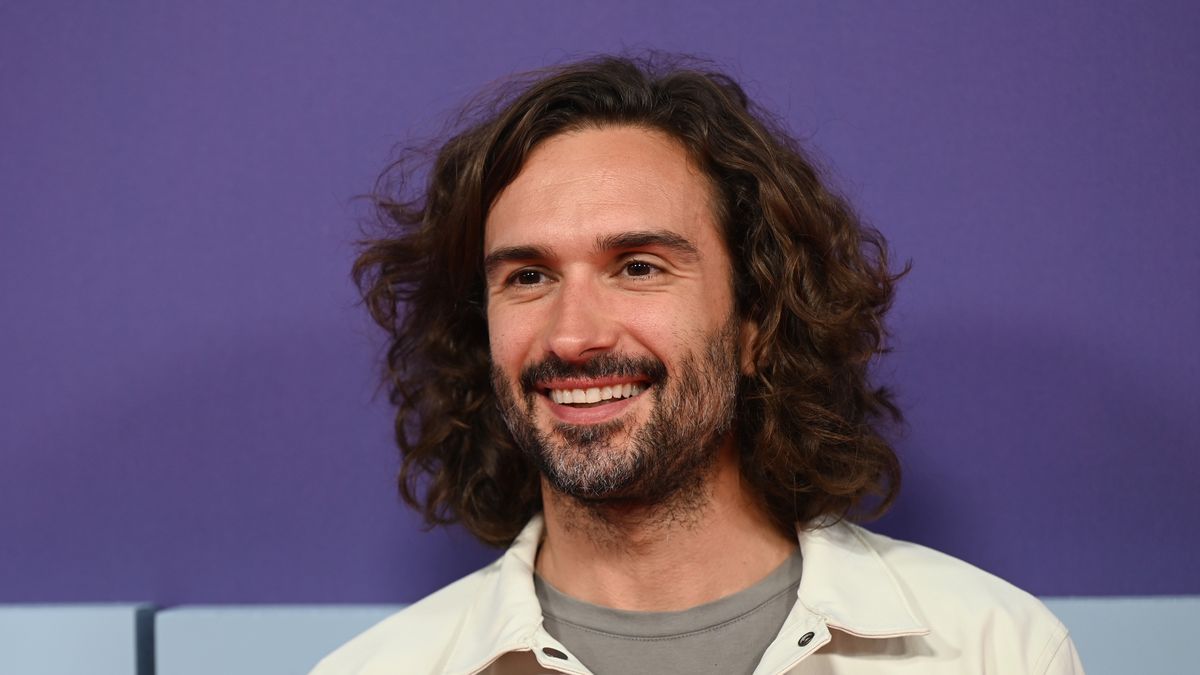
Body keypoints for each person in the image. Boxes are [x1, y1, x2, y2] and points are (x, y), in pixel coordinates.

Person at [312, 54, 1083, 674]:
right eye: (528, 276)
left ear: (756, 319)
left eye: (639, 267)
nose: (572, 336)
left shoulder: (991, 650)